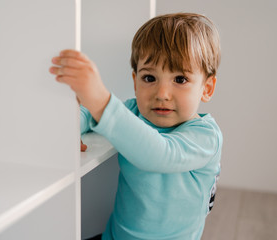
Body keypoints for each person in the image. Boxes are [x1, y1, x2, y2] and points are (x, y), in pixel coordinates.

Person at [49, 12, 222, 240]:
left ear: (207, 88)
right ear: (135, 81)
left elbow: (159, 153)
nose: (162, 94)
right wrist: (71, 129)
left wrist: (101, 100)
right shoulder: (134, 111)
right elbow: (89, 114)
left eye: (180, 80)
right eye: (149, 78)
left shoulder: (205, 136)